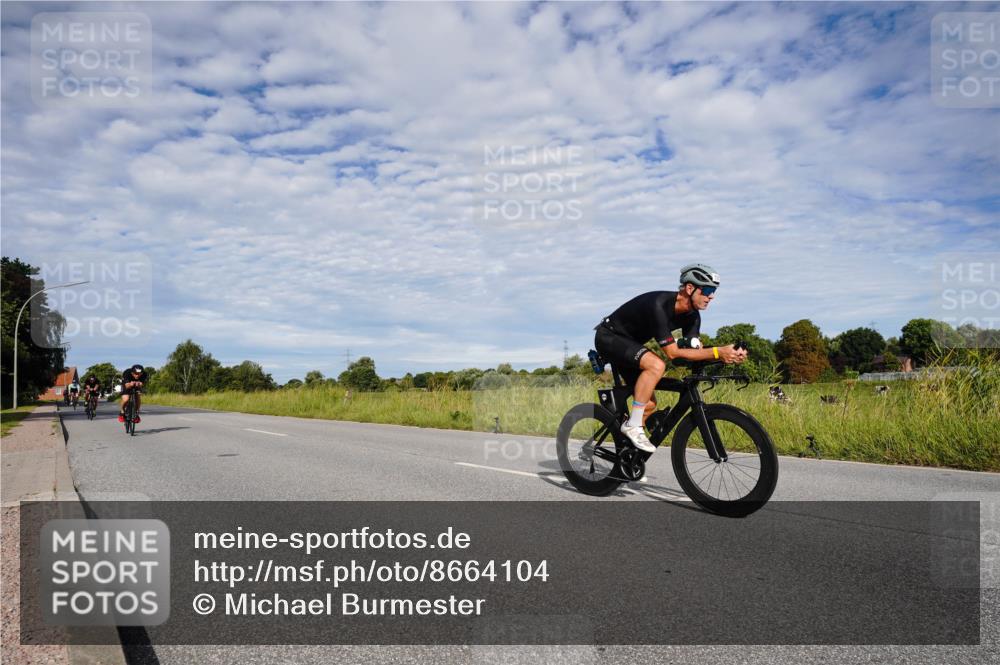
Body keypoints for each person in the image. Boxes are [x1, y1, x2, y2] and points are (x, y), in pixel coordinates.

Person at [594, 263, 747, 453]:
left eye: (714, 291)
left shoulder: (693, 317)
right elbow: (673, 354)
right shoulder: (658, 305)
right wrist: (717, 351)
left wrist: (726, 356)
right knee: (656, 365)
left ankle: (626, 457)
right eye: (707, 290)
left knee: (648, 406)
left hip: (632, 348)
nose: (711, 296)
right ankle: (633, 425)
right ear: (689, 288)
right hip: (609, 337)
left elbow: (690, 354)